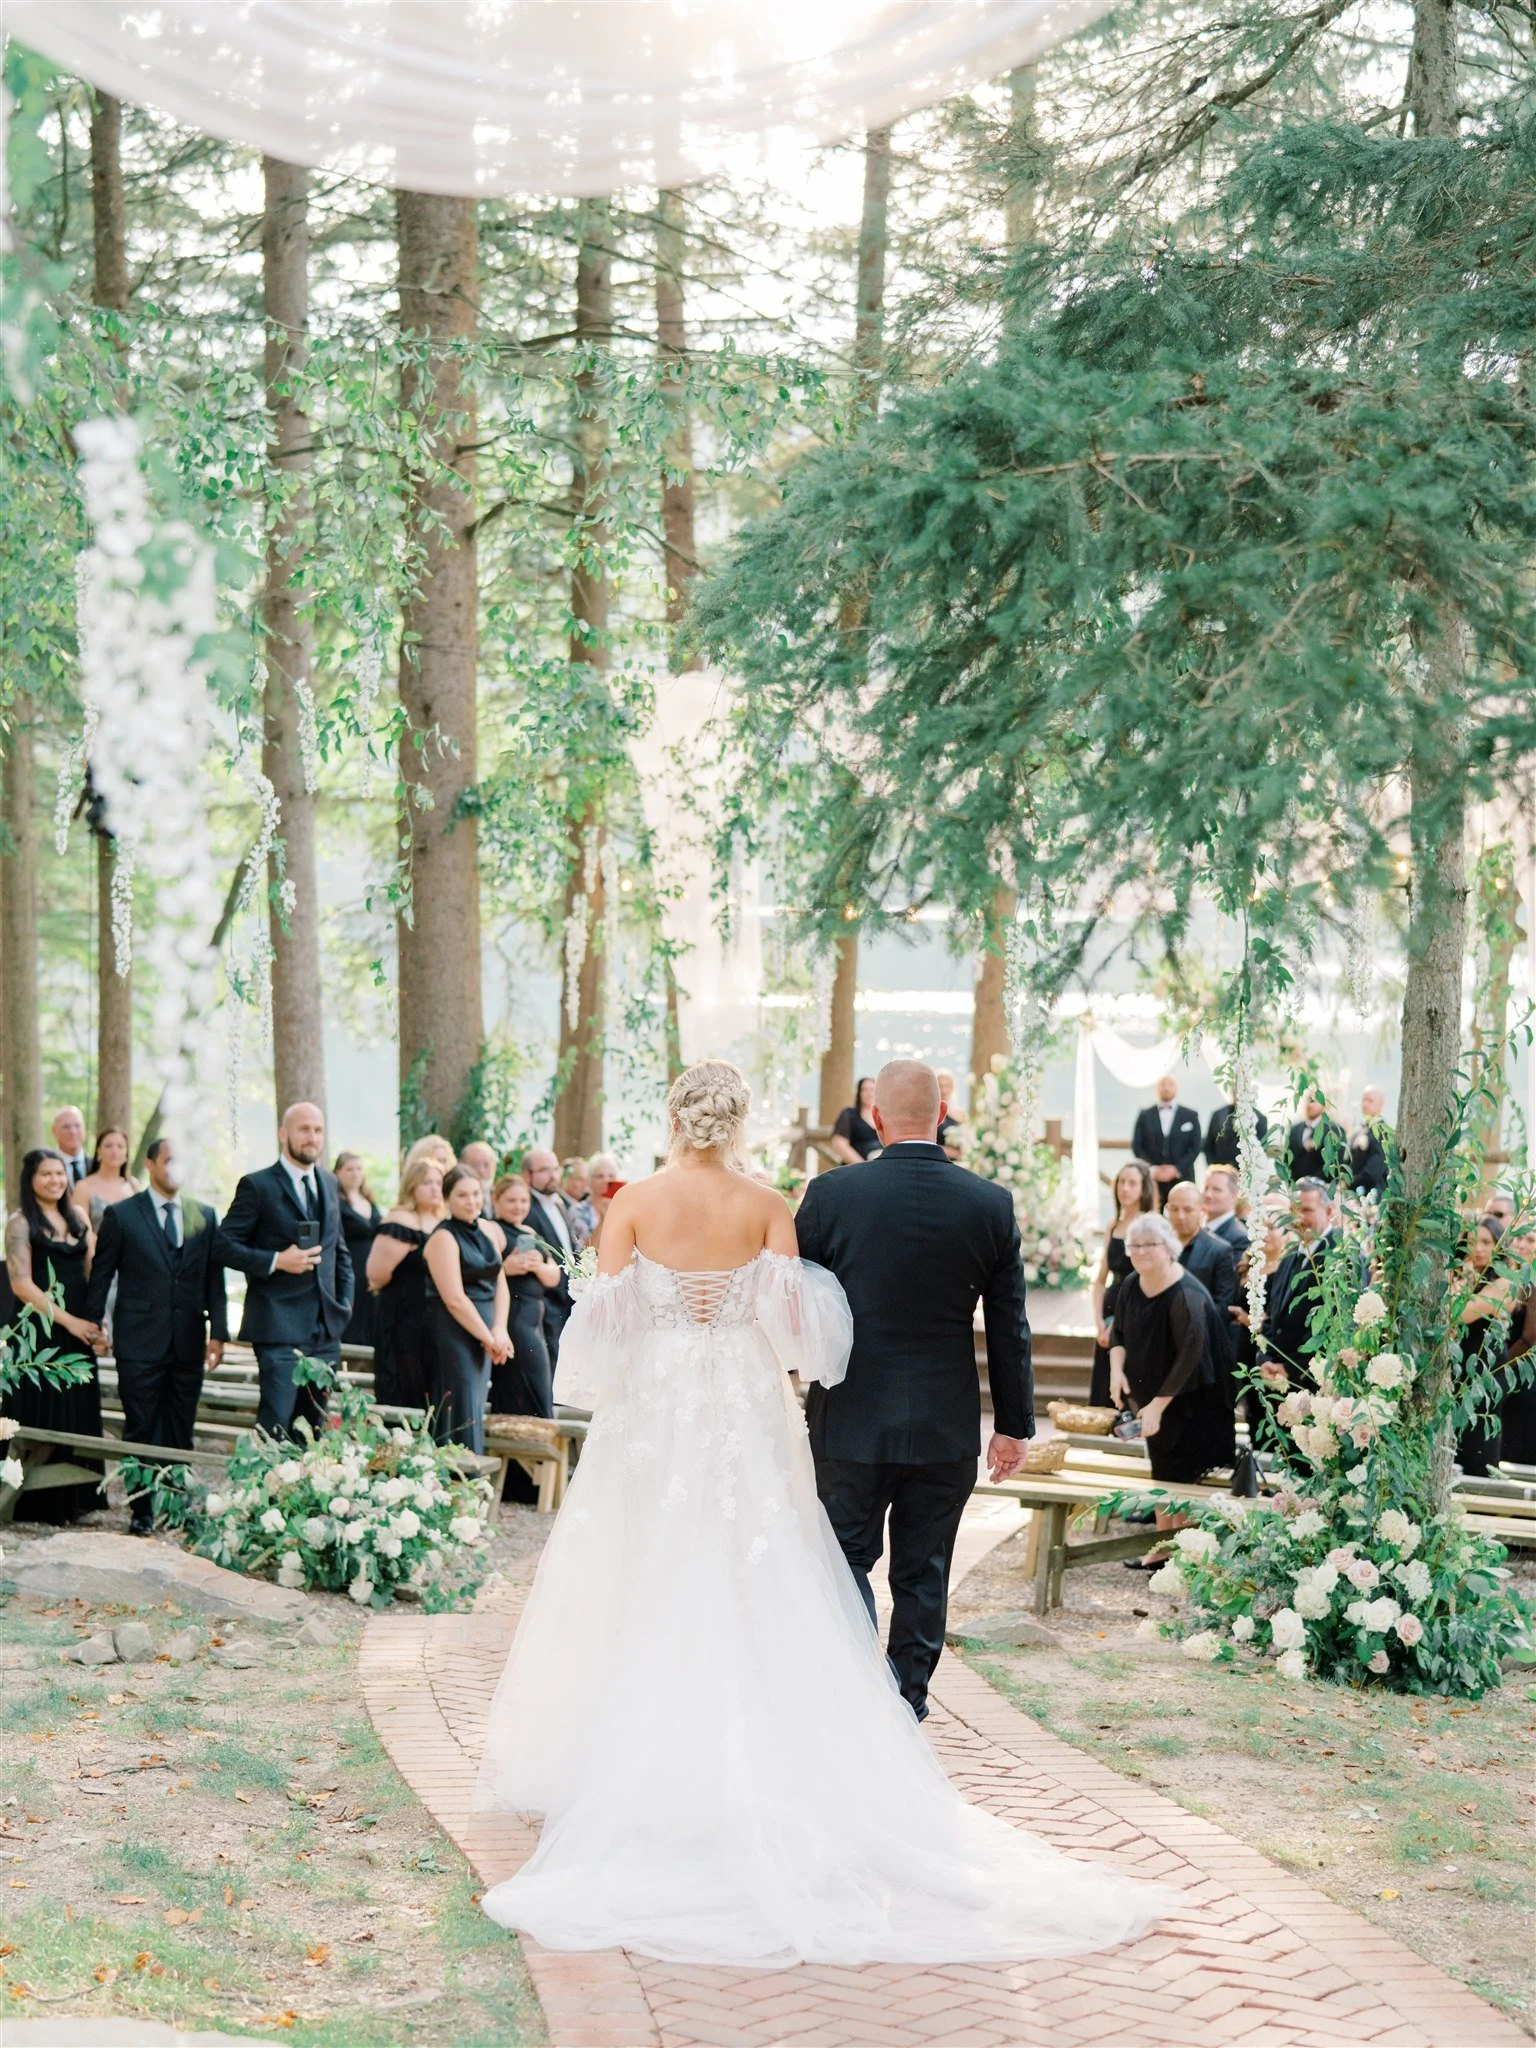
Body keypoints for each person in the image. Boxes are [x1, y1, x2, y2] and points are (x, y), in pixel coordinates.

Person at [472, 1058, 1166, 1968]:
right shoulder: (771, 1206)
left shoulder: (635, 1201)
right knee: (766, 1572)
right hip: (745, 1407)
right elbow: (804, 1328)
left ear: (677, 1117)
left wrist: (655, 1345)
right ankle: (857, 1732)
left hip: (662, 1411)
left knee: (649, 1571)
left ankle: (632, 1767)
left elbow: (600, 1333)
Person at [795, 1059, 1032, 1721]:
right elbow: (1010, 1325)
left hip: (850, 1415)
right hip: (944, 1422)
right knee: (924, 1568)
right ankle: (905, 1703)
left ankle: (851, 1697)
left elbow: (795, 1295)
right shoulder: (990, 1203)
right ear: (941, 1117)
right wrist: (1013, 1424)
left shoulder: (833, 1195)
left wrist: (791, 1368)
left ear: (875, 1118)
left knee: (845, 1560)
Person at [84, 1138, 227, 1535]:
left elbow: (213, 1279)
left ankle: (178, 1502)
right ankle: (141, 1509)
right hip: (138, 1340)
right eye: (169, 1161)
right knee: (141, 1424)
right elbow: (102, 1273)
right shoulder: (122, 1215)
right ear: (150, 1165)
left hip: (188, 1340)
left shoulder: (205, 1215)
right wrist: (95, 1323)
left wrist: (219, 1333)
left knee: (182, 1424)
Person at [215, 1102, 354, 1439]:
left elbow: (340, 1252)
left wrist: (344, 1305)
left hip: (324, 1332)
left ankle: (305, 1493)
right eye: (304, 1129)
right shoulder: (258, 1185)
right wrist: (277, 1260)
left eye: (318, 1130)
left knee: (312, 1429)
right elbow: (222, 1245)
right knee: (275, 1425)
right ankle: (267, 1492)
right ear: (283, 1134)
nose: (312, 1137)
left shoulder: (329, 1182)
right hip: (277, 1329)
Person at [2, 1149, 106, 1523]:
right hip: (38, 1331)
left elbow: (94, 1268)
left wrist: (95, 1321)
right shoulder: (19, 1223)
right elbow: (21, 1285)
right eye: (46, 1174)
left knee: (78, 1410)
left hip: (79, 1326)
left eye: (60, 1174)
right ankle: (36, 1505)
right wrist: (70, 1322)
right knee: (44, 1412)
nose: (55, 1180)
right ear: (30, 1179)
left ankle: (79, 1500)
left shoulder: (77, 1216)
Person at [1108, 1213, 1236, 1489]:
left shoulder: (1186, 1296)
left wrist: (1157, 1405)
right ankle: (1163, 1533)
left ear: (1168, 1247)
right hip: (1154, 1398)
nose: (1140, 1252)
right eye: (1135, 1246)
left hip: (1190, 1401)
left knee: (1181, 1485)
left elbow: (1191, 1357)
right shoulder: (1132, 1283)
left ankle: (1176, 1534)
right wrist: (1116, 1372)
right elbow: (1117, 1332)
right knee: (1160, 1477)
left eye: (1149, 1245)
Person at [424, 1166, 510, 1454]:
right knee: (458, 1403)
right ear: (447, 1198)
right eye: (462, 1195)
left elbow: (501, 1282)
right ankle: (459, 1482)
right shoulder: (443, 1238)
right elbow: (455, 1300)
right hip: (454, 1332)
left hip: (485, 1332)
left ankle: (472, 1480)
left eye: (476, 1194)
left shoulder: (488, 1229)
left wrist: (500, 1328)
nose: (472, 1201)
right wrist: (489, 1338)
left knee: (474, 1403)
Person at [490, 1174, 562, 1502]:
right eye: (511, 1201)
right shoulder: (493, 1230)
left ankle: (537, 1479)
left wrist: (535, 1267)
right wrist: (510, 1265)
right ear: (496, 1201)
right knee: (522, 1394)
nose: (519, 1207)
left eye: (523, 1201)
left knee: (541, 1393)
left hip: (536, 1320)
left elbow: (553, 1274)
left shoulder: (531, 1233)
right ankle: (520, 1481)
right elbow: (486, 1270)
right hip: (515, 1321)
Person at [366, 1156, 445, 1411]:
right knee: (404, 1384)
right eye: (426, 1183)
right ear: (412, 1187)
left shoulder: (443, 1222)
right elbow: (376, 1275)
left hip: (435, 1319)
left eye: (438, 1182)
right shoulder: (400, 1221)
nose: (434, 1188)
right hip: (403, 1318)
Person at [1260, 1178, 1340, 1392]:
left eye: (1306, 1210)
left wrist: (1291, 1369)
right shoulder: (1289, 1254)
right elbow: (1273, 1313)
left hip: (1312, 1384)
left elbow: (1333, 1328)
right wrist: (1265, 1358)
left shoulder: (1340, 1258)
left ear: (1330, 1211)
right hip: (1275, 1378)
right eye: (1294, 1210)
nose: (1298, 1218)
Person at [1089, 1160, 1154, 1407]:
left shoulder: (1149, 1225)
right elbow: (1099, 1279)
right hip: (1109, 1307)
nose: (1125, 1188)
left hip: (1136, 1310)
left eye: (1132, 1183)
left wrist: (1117, 1325)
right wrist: (1097, 1322)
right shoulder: (1112, 1225)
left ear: (1143, 1188)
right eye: (1121, 1182)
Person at [1455, 1216, 1514, 1476]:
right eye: (1472, 1242)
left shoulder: (1504, 1284)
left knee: (1478, 1446)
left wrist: (1463, 1277)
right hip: (1458, 1373)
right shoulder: (1464, 1279)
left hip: (1486, 1374)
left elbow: (1458, 1314)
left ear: (1498, 1246)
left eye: (1486, 1242)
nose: (1478, 1249)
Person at [521, 1148, 579, 1362]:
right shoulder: (524, 1207)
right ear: (527, 1175)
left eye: (555, 1169)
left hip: (568, 1301)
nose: (553, 1175)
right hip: (546, 1304)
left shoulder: (559, 1203)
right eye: (544, 1170)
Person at [1164, 1180, 1239, 1326]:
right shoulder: (1157, 1246)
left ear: (1202, 1211)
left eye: (1188, 1209)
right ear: (1167, 1208)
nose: (1180, 1216)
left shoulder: (1220, 1250)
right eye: (1174, 1209)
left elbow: (1223, 1307)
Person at [333, 1151, 381, 1349]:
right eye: (349, 1169)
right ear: (337, 1173)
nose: (355, 1174)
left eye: (359, 1169)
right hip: (351, 1264)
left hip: (373, 1266)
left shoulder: (369, 1200)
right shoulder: (336, 1202)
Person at [1130, 1075, 1202, 1204]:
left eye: (1170, 1084)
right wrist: (1152, 1169)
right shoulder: (1144, 1115)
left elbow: (1195, 1147)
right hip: (1152, 1179)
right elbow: (1137, 1146)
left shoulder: (1190, 1115)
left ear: (1177, 1088)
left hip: (1183, 1178)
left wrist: (1176, 1169)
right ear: (1156, 1089)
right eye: (1162, 1084)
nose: (1166, 1088)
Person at [73, 1126, 140, 1229]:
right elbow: (79, 1229)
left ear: (126, 1152)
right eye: (108, 1146)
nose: (114, 1151)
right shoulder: (83, 1187)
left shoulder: (133, 1185)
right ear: (99, 1151)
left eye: (120, 1146)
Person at [1284, 1093, 1347, 1185]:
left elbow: (1334, 1163)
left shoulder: (1333, 1130)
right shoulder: (1295, 1129)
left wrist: (1313, 1185)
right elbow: (1288, 1158)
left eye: (1315, 1101)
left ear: (1324, 1104)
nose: (1310, 1104)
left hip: (1321, 1189)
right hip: (1296, 1188)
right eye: (1308, 1100)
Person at [1348, 1086, 1390, 1197]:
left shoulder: (1383, 1132)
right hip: (1352, 1193)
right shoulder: (1358, 1130)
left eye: (1370, 1101)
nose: (1365, 1104)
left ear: (1381, 1105)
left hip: (1371, 1194)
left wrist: (1348, 1183)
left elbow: (1375, 1169)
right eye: (1364, 1100)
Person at [1203, 1098, 1268, 1170]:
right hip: (1222, 1171)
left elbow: (1262, 1149)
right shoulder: (1218, 1115)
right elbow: (1208, 1145)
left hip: (1247, 1172)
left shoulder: (1259, 1118)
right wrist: (1214, 1167)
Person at [829, 1076, 880, 1165]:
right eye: (865, 1090)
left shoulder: (883, 1116)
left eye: (872, 1090)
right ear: (859, 1093)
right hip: (855, 1168)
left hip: (879, 1169)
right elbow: (839, 1143)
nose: (869, 1093)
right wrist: (863, 1166)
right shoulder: (849, 1114)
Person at [1201, 1164, 1250, 1253]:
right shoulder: (1194, 1227)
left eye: (1216, 1189)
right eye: (1206, 1188)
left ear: (1233, 1196)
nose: (1208, 1194)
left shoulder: (1239, 1239)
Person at [50, 1105, 91, 1189]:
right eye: (66, 1127)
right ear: (54, 1131)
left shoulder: (99, 1166)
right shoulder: (47, 1167)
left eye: (77, 1126)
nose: (73, 1132)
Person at [560, 1158, 597, 1244]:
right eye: (579, 1179)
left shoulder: (587, 1205)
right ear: (565, 1179)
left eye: (586, 1180)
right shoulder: (559, 1206)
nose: (585, 1185)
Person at [460, 1141, 500, 1218]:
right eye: (474, 1165)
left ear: (494, 1167)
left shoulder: (503, 1198)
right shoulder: (456, 1200)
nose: (481, 1171)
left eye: (486, 1164)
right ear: (463, 1167)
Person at [934, 1068, 965, 1147]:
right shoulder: (931, 1113)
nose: (944, 1090)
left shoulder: (961, 1114)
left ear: (953, 1087)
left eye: (947, 1086)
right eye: (940, 1086)